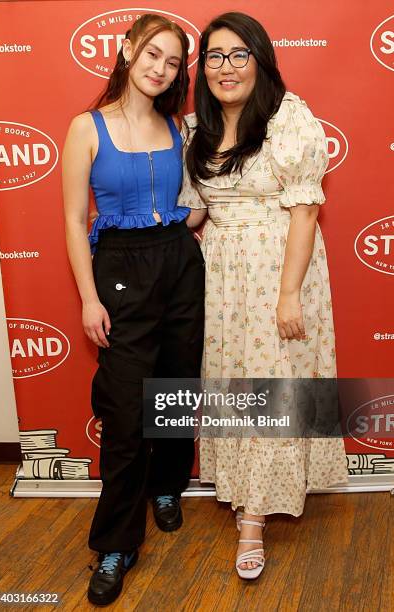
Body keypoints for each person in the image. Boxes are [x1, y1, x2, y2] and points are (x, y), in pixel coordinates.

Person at [178, 12, 348, 580]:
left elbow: (305, 211)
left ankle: (253, 518)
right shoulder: (195, 127)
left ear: (260, 59)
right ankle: (243, 489)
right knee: (233, 380)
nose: (225, 68)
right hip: (222, 270)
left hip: (278, 265)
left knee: (274, 386)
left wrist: (289, 294)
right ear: (203, 67)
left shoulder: (288, 118)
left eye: (238, 54)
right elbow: (199, 210)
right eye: (214, 56)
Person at [62, 15, 204, 606]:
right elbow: (74, 220)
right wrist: (90, 296)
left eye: (173, 63)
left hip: (177, 262)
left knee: (174, 388)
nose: (160, 69)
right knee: (124, 413)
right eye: (152, 55)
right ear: (126, 51)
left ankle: (168, 485)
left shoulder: (177, 128)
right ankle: (117, 543)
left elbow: (189, 205)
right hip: (118, 271)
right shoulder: (86, 127)